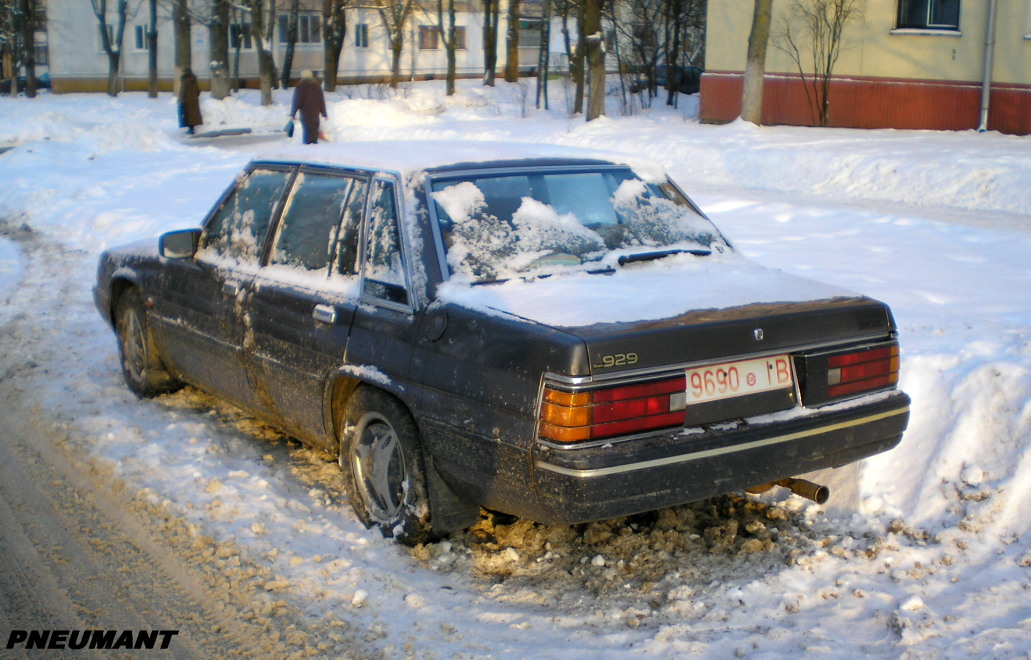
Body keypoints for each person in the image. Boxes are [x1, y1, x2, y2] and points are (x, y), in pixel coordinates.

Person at [291, 70, 327, 145]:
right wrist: (324, 113)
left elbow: (297, 101)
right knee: (314, 130)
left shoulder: (300, 87)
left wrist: (293, 113)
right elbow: (321, 101)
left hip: (305, 113)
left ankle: (308, 146)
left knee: (307, 131)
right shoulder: (317, 87)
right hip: (315, 113)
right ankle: (314, 144)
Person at [179, 68, 203, 135]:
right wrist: (194, 96)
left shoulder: (185, 79)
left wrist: (181, 98)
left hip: (187, 100)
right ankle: (192, 129)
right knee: (193, 116)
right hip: (194, 100)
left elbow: (183, 90)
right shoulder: (194, 79)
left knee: (188, 115)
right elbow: (198, 90)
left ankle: (190, 129)